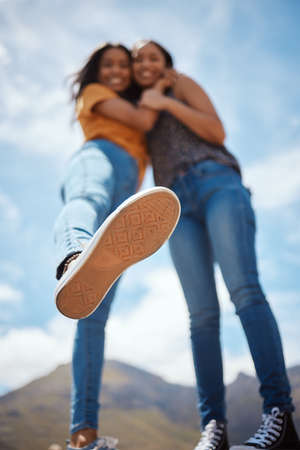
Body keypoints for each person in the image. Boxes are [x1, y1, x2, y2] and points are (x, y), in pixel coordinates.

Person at [131, 39, 300, 450]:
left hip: (216, 181)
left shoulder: (180, 85)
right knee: (200, 316)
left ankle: (279, 415)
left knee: (244, 290)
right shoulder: (142, 109)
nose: (144, 63)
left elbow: (216, 130)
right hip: (173, 205)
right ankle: (214, 429)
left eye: (153, 56)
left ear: (166, 64)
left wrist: (167, 100)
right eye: (138, 60)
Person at [53, 42, 180, 450]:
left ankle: (82, 435)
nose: (116, 71)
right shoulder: (96, 96)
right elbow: (144, 119)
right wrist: (158, 87)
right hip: (97, 157)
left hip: (126, 206)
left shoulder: (127, 97)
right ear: (95, 71)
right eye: (108, 64)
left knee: (92, 317)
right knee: (86, 198)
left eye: (123, 66)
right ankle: (75, 256)